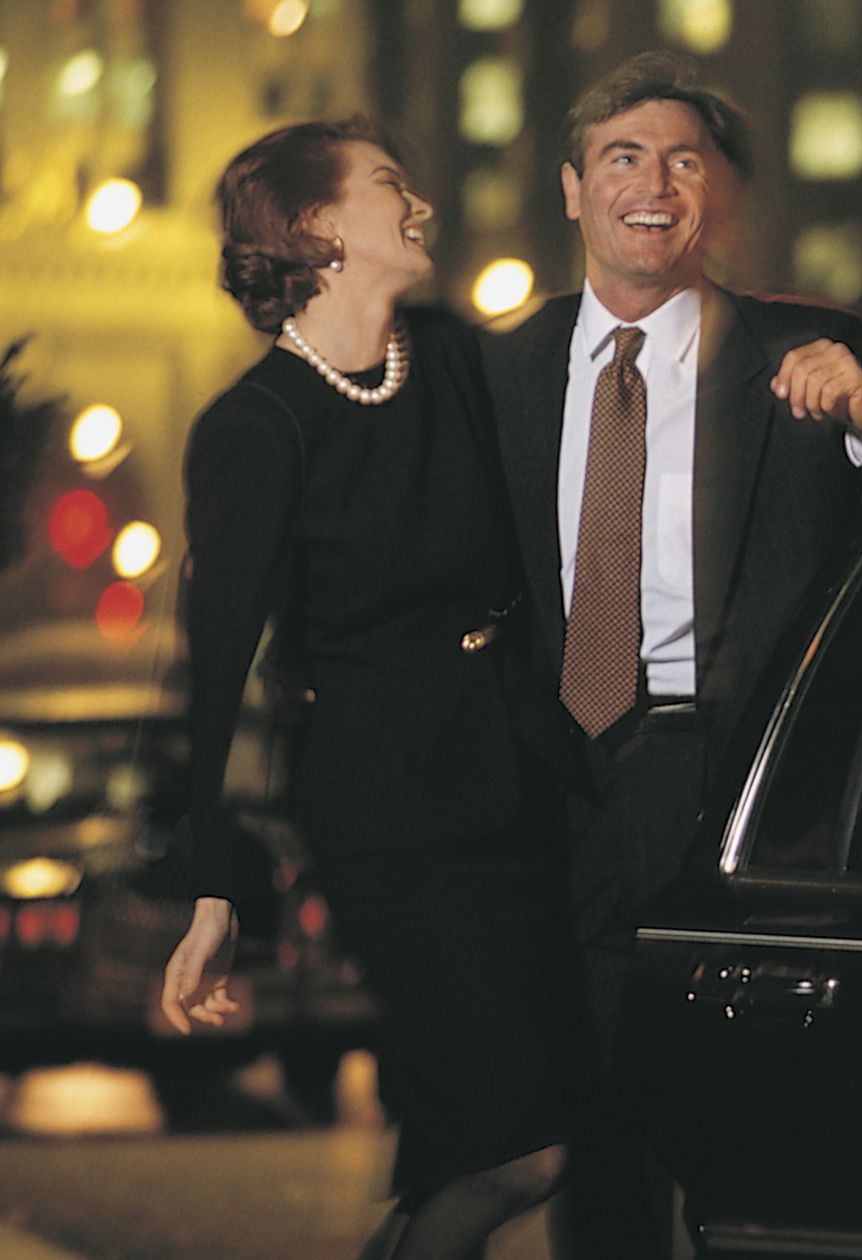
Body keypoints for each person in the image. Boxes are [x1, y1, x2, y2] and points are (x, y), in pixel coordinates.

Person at [483, 51, 862, 1258]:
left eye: (684, 160)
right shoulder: (502, 373)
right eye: (622, 157)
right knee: (598, 1141)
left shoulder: (806, 349)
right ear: (573, 189)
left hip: (741, 792)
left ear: (711, 196)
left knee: (765, 1138)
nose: (654, 182)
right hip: (570, 789)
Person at [159, 118, 580, 1260]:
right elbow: (225, 667)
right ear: (316, 229)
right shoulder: (258, 429)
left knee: (484, 1136)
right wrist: (214, 891)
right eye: (391, 187)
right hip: (391, 825)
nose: (421, 207)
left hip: (514, 792)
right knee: (523, 1147)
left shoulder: (442, 355)